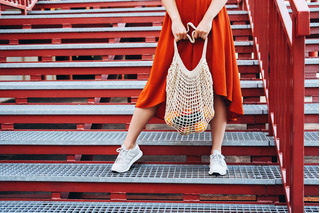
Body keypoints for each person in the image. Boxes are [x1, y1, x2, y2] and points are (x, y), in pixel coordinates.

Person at [111, 0, 244, 175]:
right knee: (158, 82)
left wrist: (208, 18)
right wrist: (175, 19)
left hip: (213, 17)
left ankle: (216, 153)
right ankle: (129, 147)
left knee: (217, 83)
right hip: (179, 17)